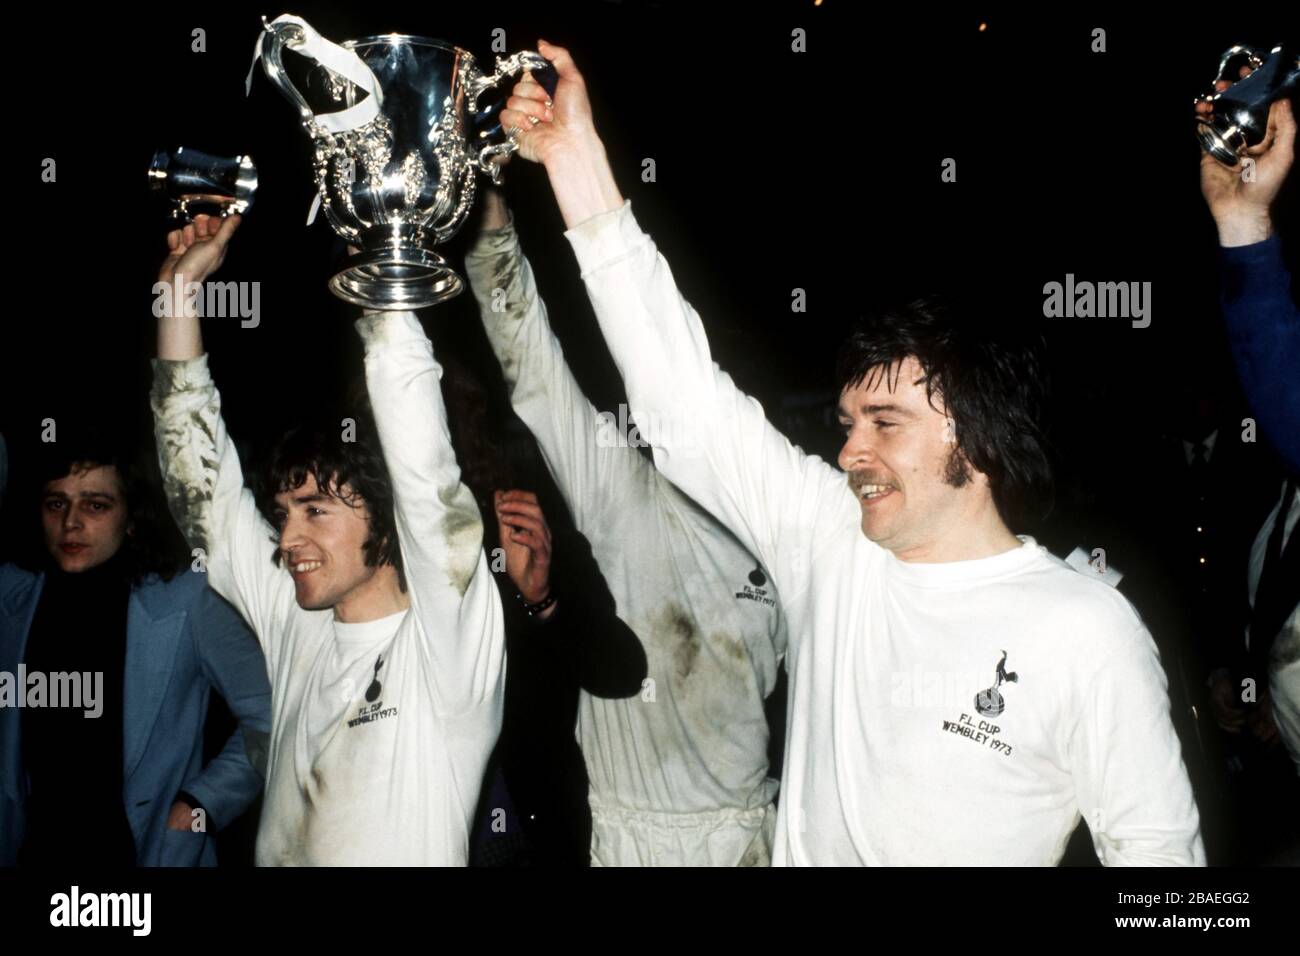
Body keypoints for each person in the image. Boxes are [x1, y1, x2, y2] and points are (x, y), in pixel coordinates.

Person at [496, 41, 1205, 864]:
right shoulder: (830, 544)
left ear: (976, 439)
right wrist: (573, 158)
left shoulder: (1085, 630)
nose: (850, 452)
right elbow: (678, 390)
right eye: (847, 423)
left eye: (886, 422)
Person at [149, 214, 504, 865]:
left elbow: (427, 480)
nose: (287, 539)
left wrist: (383, 273)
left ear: (389, 524)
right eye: (284, 513)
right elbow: (205, 496)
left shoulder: (447, 646)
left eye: (315, 511)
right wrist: (177, 295)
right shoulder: (297, 622)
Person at [463, 181, 788, 866]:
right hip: (629, 833)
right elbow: (528, 356)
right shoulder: (617, 482)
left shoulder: (785, 525)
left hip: (750, 833)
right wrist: (490, 204)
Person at [0, 434, 270, 866]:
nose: (71, 523)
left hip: (145, 853)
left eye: (95, 505)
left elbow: (269, 717)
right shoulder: (13, 596)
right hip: (35, 850)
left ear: (130, 517)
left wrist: (202, 803)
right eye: (56, 504)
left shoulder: (187, 599)